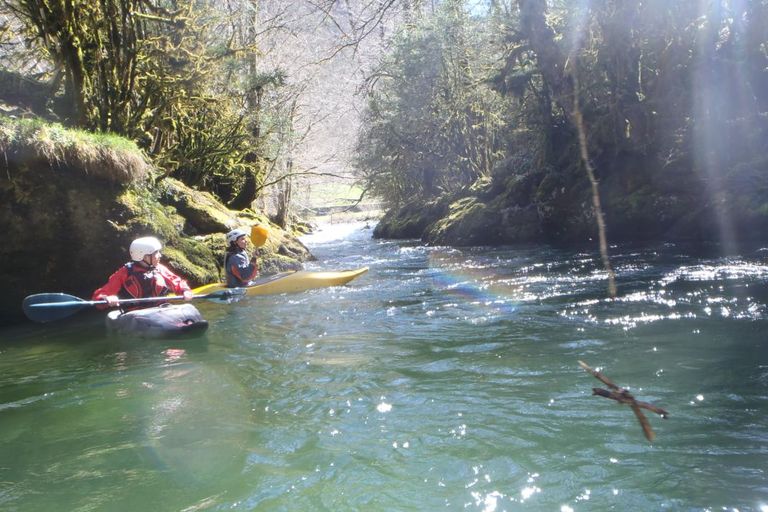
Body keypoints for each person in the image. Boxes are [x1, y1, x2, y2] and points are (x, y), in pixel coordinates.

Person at [93, 236, 194, 308]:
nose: (160, 255)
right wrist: (106, 299)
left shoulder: (159, 268)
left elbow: (176, 282)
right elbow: (100, 295)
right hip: (136, 315)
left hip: (161, 309)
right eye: (156, 253)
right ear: (145, 256)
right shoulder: (125, 273)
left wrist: (185, 291)